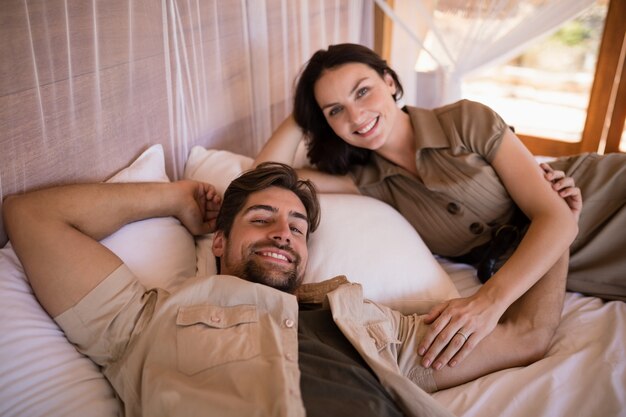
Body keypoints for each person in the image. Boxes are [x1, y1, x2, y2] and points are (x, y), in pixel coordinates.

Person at [4, 162, 572, 417]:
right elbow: (31, 216)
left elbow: (527, 335)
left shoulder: (373, 325)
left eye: (298, 228)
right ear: (218, 242)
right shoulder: (144, 322)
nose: (284, 233)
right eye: (261, 219)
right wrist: (174, 197)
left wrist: (559, 223)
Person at [254, 42, 626, 372]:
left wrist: (487, 303)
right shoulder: (366, 181)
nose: (355, 116)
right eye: (335, 110)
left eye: (363, 92)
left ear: (390, 82)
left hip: (601, 196)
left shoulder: (465, 120)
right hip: (575, 259)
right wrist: (305, 110)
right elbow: (265, 177)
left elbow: (557, 216)